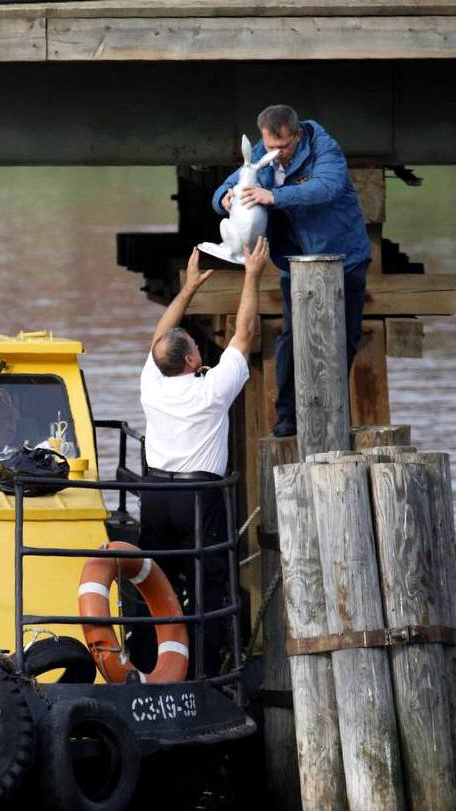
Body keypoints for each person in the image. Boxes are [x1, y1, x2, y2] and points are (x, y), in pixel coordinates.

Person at [132, 236, 268, 677]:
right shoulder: (211, 390)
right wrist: (253, 274)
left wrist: (188, 288)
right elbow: (243, 334)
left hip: (155, 494)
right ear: (193, 359)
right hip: (198, 496)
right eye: (193, 344)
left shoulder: (152, 381)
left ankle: (149, 665)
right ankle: (206, 674)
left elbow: (160, 338)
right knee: (210, 585)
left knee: (156, 580)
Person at [213, 104, 371, 437]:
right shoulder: (262, 153)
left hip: (344, 259)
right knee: (291, 337)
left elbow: (325, 188)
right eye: (270, 147)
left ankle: (332, 411)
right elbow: (228, 186)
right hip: (296, 265)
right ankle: (288, 416)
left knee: (343, 337)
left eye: (283, 147)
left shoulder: (324, 149)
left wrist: (273, 196)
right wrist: (224, 198)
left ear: (297, 135)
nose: (276, 154)